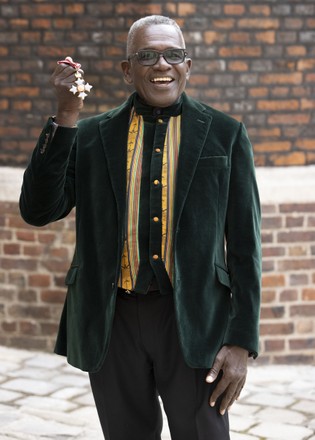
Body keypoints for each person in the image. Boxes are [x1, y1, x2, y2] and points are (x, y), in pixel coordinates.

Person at [20, 15, 261, 440]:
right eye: (147, 55)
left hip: (193, 320)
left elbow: (245, 245)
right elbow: (39, 210)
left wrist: (242, 341)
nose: (161, 65)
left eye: (173, 55)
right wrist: (66, 114)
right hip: (112, 320)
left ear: (188, 65)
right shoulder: (92, 135)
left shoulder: (225, 135)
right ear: (128, 70)